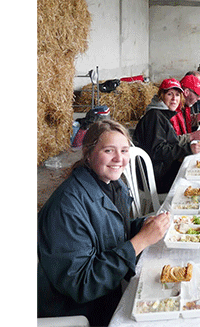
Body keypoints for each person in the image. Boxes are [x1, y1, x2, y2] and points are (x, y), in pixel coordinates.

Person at [37, 120, 171, 326]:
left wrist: (146, 225)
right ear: (88, 154)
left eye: (125, 150)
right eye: (109, 150)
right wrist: (140, 241)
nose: (120, 159)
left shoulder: (113, 185)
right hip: (78, 311)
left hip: (109, 291)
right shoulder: (66, 208)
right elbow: (82, 284)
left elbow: (113, 231)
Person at [133, 78, 200, 194]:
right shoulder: (155, 117)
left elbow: (170, 141)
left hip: (161, 169)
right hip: (156, 177)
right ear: (161, 96)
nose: (174, 99)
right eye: (169, 94)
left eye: (177, 95)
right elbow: (158, 151)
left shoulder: (161, 114)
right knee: (198, 177)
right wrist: (187, 149)